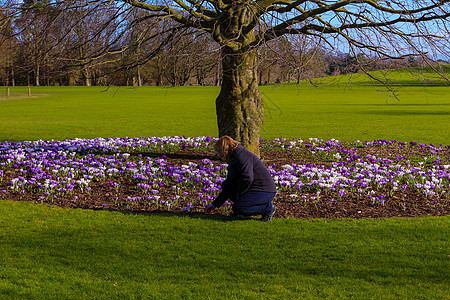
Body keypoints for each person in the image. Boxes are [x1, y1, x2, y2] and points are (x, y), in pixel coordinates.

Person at [206, 136, 277, 221]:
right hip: (253, 188)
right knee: (227, 186)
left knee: (239, 208)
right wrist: (215, 204)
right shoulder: (235, 157)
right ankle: (245, 209)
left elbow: (247, 177)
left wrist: (240, 194)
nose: (218, 155)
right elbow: (229, 184)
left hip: (263, 190)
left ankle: (268, 208)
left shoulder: (241, 156)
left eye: (218, 152)